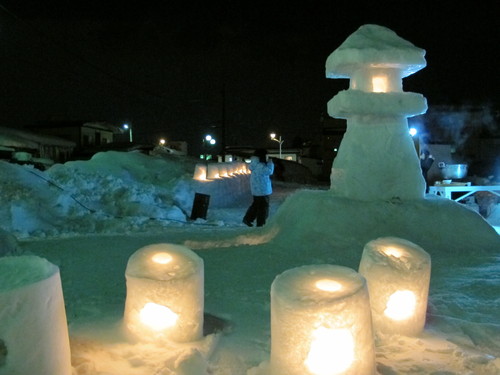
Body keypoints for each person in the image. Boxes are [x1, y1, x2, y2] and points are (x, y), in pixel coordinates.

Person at [243, 148, 274, 227]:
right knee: (263, 208)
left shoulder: (255, 164)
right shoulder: (260, 165)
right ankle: (261, 224)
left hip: (257, 189)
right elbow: (269, 171)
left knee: (256, 205)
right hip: (262, 189)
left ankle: (248, 219)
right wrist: (270, 163)